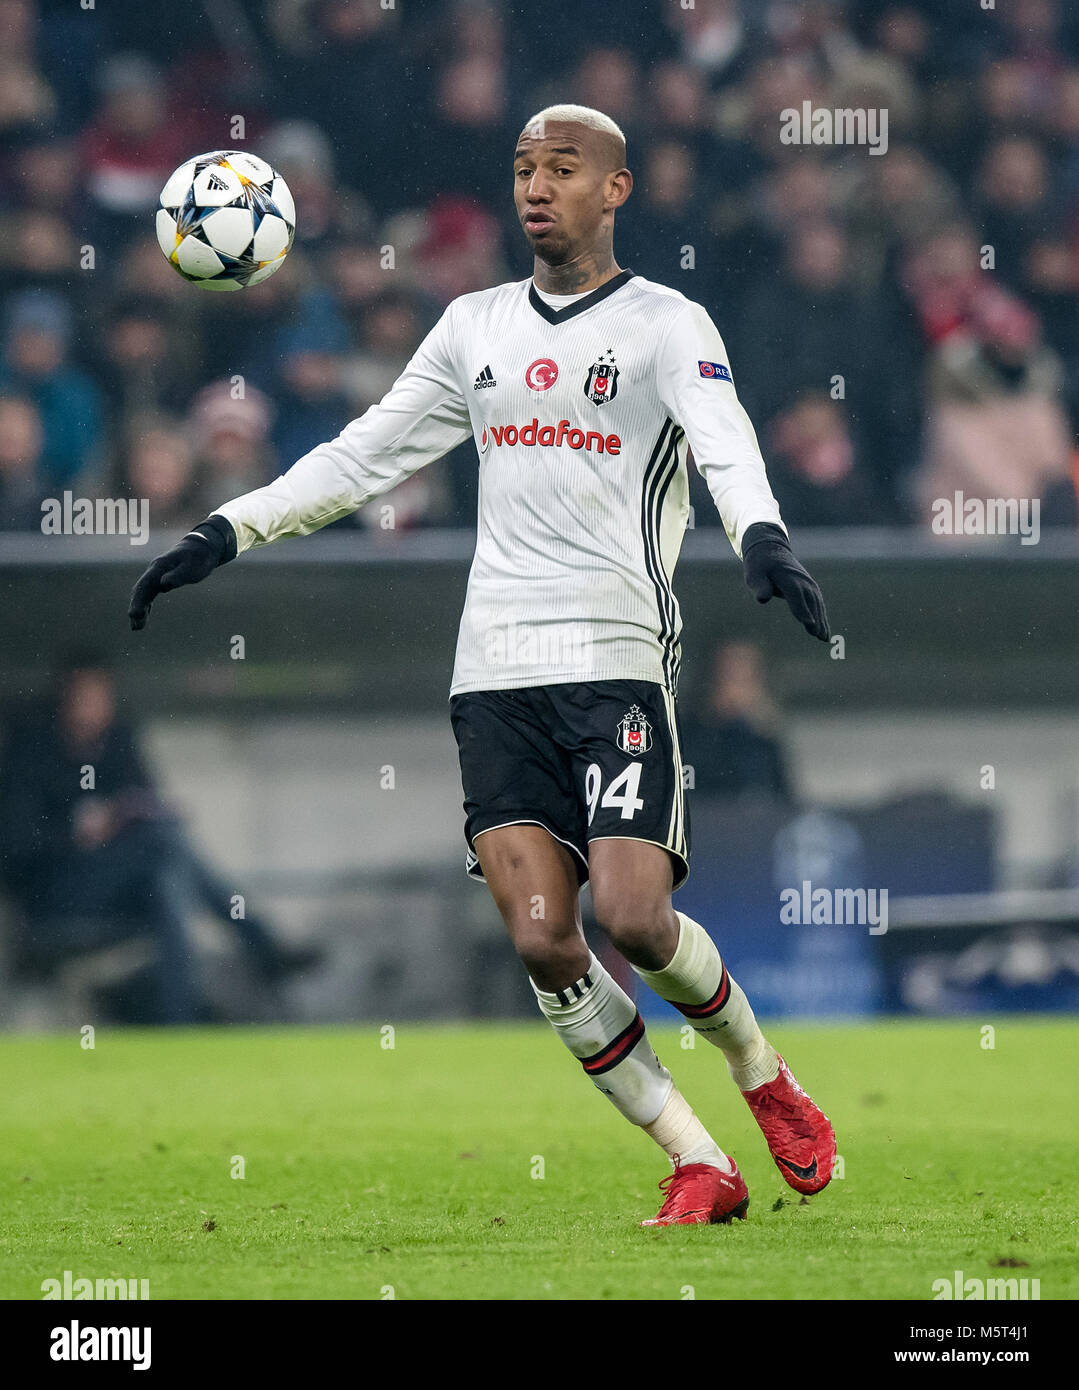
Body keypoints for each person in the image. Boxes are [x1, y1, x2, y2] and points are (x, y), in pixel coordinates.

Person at [129, 105, 835, 1224]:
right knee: (546, 940)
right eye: (521, 169)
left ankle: (764, 1077)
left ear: (616, 189)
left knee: (635, 917)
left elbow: (723, 440)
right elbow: (364, 455)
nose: (535, 187)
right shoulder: (471, 325)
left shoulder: (664, 322)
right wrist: (225, 529)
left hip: (613, 659)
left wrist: (760, 534)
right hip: (494, 665)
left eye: (562, 168)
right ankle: (697, 1158)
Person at [0, 654, 314, 1023]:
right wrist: (77, 832)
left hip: (127, 881)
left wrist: (124, 821)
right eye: (83, 697)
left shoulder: (117, 742)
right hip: (57, 892)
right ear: (63, 699)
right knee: (165, 848)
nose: (93, 707)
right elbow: (15, 847)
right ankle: (263, 945)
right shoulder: (30, 754)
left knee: (166, 877)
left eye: (101, 697)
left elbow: (145, 802)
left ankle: (178, 1020)